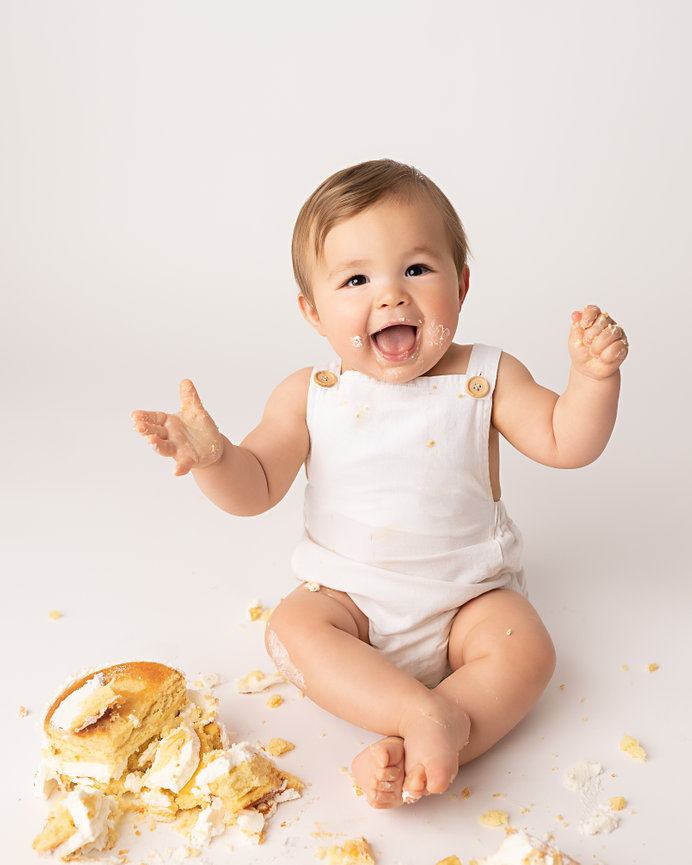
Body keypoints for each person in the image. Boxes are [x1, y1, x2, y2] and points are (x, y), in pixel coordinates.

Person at [131, 159, 628, 810]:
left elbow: (568, 440)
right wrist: (214, 457)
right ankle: (423, 716)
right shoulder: (311, 394)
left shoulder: (487, 375)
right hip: (351, 601)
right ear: (313, 311)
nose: (391, 295)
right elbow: (255, 487)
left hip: (469, 599)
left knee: (528, 650)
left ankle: (427, 733)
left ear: (463, 282)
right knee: (293, 627)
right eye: (356, 279)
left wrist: (593, 380)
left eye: (417, 269)